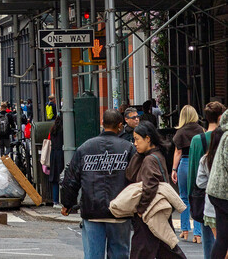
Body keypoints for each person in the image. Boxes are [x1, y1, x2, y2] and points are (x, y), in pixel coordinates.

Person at [61, 109, 135, 259]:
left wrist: (67, 203)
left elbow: (71, 179)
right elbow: (136, 179)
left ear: (102, 123)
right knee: (120, 254)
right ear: (120, 125)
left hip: (92, 209)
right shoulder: (128, 148)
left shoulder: (85, 148)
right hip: (119, 211)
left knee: (93, 255)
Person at [124, 121, 187, 259]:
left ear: (148, 138)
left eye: (137, 139)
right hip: (157, 210)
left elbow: (150, 185)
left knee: (143, 251)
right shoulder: (155, 155)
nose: (135, 143)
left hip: (149, 213)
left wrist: (141, 209)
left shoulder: (150, 160)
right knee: (166, 248)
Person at [187, 101, 225, 256]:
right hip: (223, 196)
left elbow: (193, 172)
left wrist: (191, 195)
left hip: (204, 195)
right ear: (221, 116)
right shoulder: (225, 137)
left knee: (207, 238)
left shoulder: (197, 140)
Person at [171, 104, 204, 243]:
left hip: (184, 163)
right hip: (198, 163)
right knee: (197, 197)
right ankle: (198, 234)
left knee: (183, 197)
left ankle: (185, 230)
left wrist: (174, 169)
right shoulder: (201, 130)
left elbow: (178, 152)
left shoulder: (180, 132)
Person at [196, 124, 224, 259]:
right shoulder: (224, 158)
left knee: (219, 241)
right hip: (223, 205)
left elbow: (200, 182)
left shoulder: (205, 159)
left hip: (210, 207)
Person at [206, 109, 228, 259]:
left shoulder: (225, 134)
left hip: (217, 192)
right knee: (223, 238)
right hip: (224, 193)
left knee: (223, 238)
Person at [48, 114, 64, 206]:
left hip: (53, 154)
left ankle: (55, 201)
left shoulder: (53, 129)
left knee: (54, 178)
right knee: (63, 177)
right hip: (62, 154)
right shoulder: (64, 129)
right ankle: (63, 200)